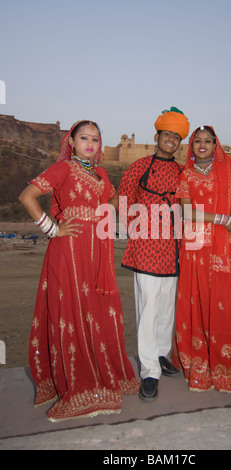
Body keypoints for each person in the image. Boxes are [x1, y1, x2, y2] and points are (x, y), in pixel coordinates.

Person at [19, 120, 140, 422]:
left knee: (97, 309)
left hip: (97, 249)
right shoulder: (62, 169)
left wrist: (110, 209)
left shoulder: (100, 173)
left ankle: (102, 372)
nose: (90, 144)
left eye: (95, 139)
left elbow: (111, 197)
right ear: (70, 142)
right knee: (72, 311)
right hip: (69, 250)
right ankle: (78, 383)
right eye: (83, 138)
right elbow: (27, 197)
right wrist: (52, 229)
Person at [171, 125, 231, 393]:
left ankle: (225, 364)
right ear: (192, 146)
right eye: (197, 141)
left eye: (207, 141)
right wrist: (224, 219)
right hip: (194, 245)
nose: (202, 144)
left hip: (220, 245)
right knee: (195, 301)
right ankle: (199, 363)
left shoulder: (229, 169)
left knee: (223, 303)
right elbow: (187, 213)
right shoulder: (186, 174)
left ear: (215, 145)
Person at [118, 107, 190, 401]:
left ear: (179, 142)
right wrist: (138, 230)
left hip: (173, 246)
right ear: (157, 136)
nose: (171, 140)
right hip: (146, 245)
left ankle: (161, 355)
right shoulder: (139, 166)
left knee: (166, 308)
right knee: (148, 306)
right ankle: (149, 370)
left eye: (176, 136)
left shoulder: (181, 172)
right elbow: (124, 199)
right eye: (167, 134)